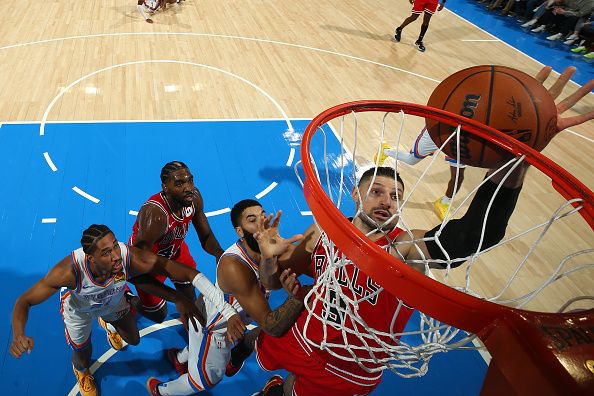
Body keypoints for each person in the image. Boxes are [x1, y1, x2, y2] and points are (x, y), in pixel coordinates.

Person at [251, 66, 594, 396]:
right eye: (377, 192)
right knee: (260, 354)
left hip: (348, 367)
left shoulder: (404, 248)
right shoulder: (324, 232)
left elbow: (472, 235)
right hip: (301, 334)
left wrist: (515, 161)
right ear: (356, 194)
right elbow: (269, 282)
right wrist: (269, 261)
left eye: (396, 196)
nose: (387, 201)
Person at [10, 224, 245, 396]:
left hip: (112, 301)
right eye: (106, 252)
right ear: (90, 258)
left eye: (114, 247)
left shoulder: (126, 257)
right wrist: (19, 334)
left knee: (132, 339)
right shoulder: (68, 272)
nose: (115, 256)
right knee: (83, 352)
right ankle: (81, 371)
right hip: (80, 310)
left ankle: (108, 320)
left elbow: (177, 270)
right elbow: (24, 301)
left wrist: (185, 300)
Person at [146, 199, 304, 396]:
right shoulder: (234, 266)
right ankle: (160, 391)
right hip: (212, 329)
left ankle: (179, 358)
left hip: (218, 316)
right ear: (240, 231)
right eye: (252, 220)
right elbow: (270, 325)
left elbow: (271, 281)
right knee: (204, 381)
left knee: (198, 347)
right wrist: (297, 298)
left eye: (263, 216)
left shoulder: (268, 248)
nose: (261, 223)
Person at [129, 161, 225, 324]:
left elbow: (206, 236)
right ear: (165, 187)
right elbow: (135, 268)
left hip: (176, 251)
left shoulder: (193, 198)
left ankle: (194, 340)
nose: (188, 188)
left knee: (191, 298)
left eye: (190, 181)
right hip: (147, 264)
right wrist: (176, 298)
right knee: (158, 314)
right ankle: (127, 299)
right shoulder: (156, 215)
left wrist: (221, 255)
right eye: (179, 184)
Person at [373, 127, 467, 220]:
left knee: (458, 177)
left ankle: (444, 202)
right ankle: (386, 151)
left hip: (459, 140)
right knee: (411, 160)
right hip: (437, 131)